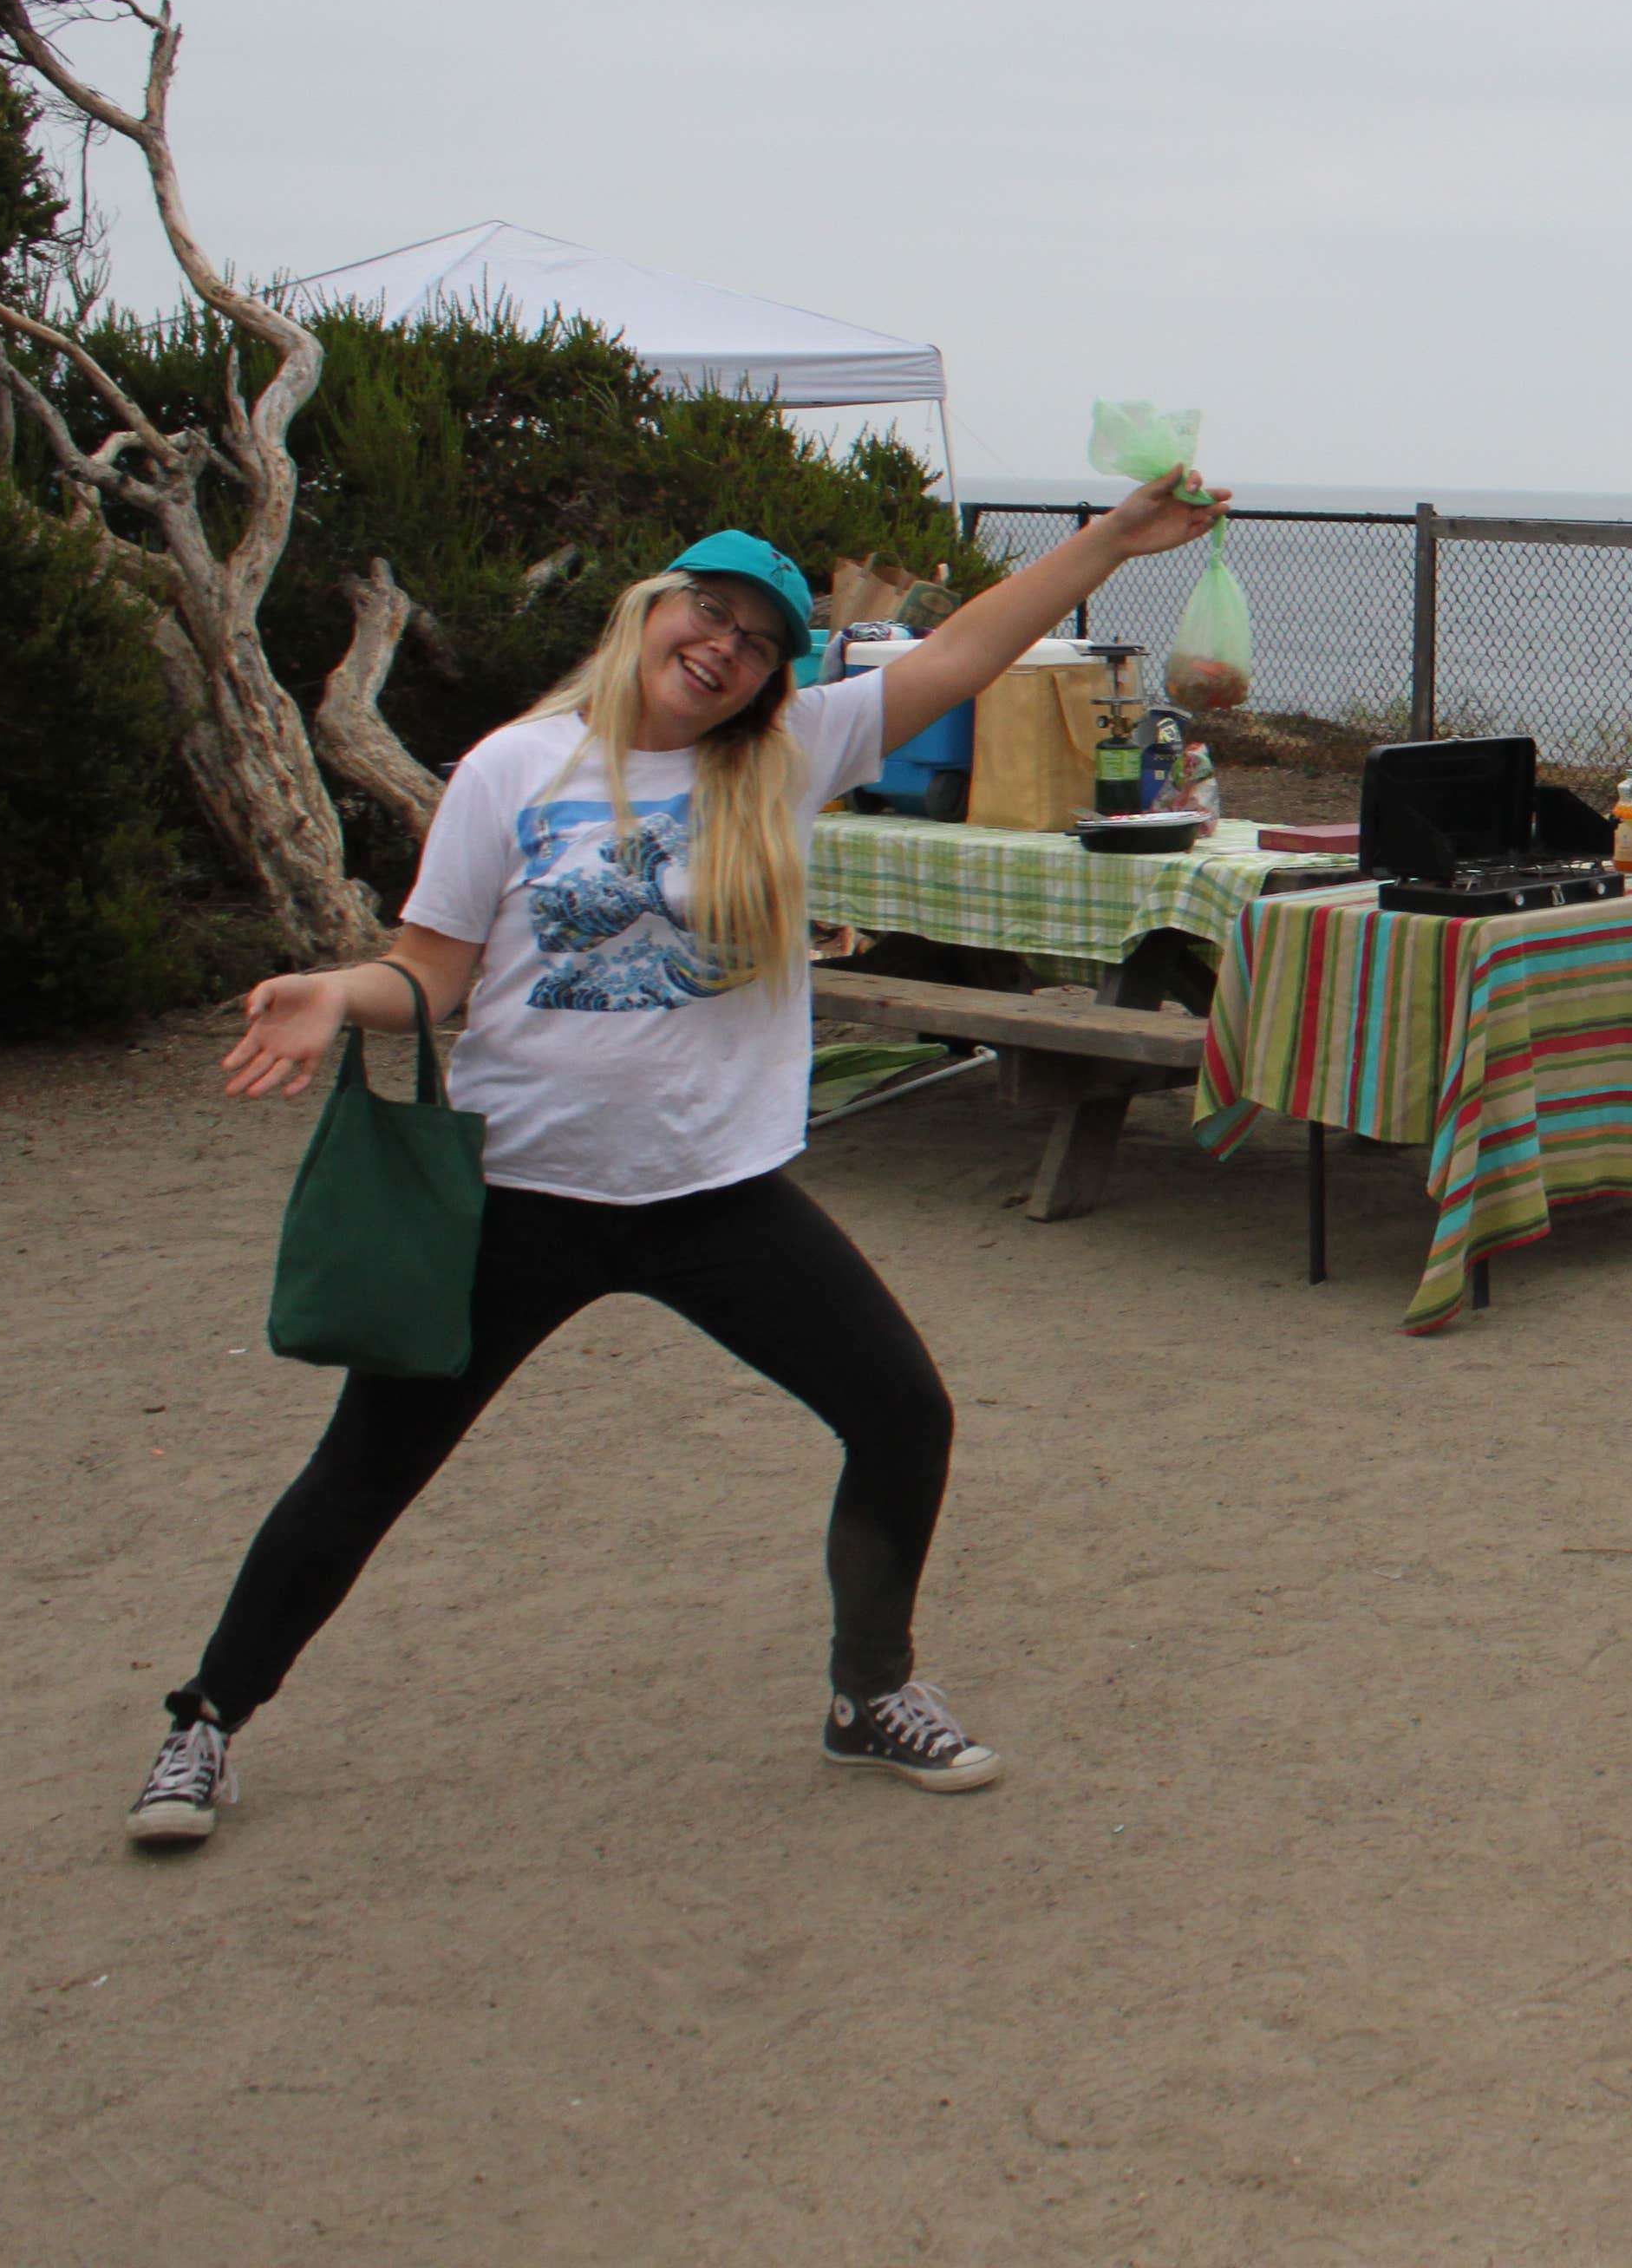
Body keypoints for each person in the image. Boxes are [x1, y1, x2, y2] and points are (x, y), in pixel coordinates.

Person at [127, 474, 1221, 1848]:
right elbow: (432, 975)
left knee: (901, 1415)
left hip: (714, 1194)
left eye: (761, 643)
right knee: (367, 1468)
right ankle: (207, 1721)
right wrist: (339, 995)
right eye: (710, 614)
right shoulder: (513, 768)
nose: (726, 649)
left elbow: (962, 654)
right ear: (652, 611)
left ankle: (869, 1693)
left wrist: (1109, 542)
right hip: (522, 1195)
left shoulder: (790, 754)